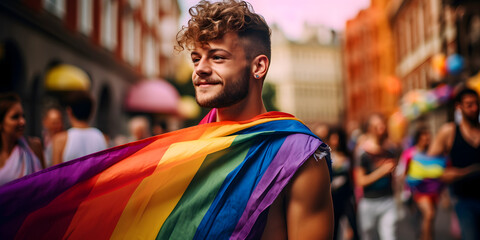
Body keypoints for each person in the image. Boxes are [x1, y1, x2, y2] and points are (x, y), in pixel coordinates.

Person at [0, 1, 332, 239]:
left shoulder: (300, 154)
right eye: (196, 57)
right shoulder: (188, 147)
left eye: (217, 57)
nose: (200, 68)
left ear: (258, 67)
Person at [428, 87, 480, 240]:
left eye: (477, 104)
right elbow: (430, 167)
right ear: (459, 106)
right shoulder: (449, 132)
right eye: (469, 105)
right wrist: (465, 172)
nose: (475, 108)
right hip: (464, 200)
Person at [354, 113, 399, 240]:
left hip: (388, 200)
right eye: (377, 126)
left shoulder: (390, 150)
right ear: (370, 129)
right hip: (369, 202)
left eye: (383, 125)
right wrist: (382, 171)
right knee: (368, 236)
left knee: (389, 236)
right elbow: (360, 181)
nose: (382, 128)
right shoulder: (363, 153)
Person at [399, 127, 439, 240]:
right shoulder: (409, 154)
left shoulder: (433, 153)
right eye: (424, 138)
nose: (427, 141)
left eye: (428, 138)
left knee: (430, 219)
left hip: (433, 191)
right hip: (416, 191)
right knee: (428, 215)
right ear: (418, 139)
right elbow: (402, 174)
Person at [51, 91, 107, 165]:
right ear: (91, 112)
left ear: (69, 111)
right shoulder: (102, 137)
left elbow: (55, 174)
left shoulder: (60, 140)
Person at [0, 93, 44, 186]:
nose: (22, 122)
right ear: (1, 123)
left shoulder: (34, 146)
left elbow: (45, 184)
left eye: (23, 116)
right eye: (15, 117)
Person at [327, 126, 360, 240]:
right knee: (334, 227)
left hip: (346, 194)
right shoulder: (325, 154)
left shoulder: (347, 154)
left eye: (338, 139)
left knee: (354, 224)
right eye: (333, 138)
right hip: (333, 196)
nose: (335, 141)